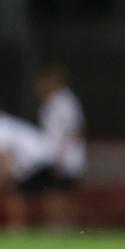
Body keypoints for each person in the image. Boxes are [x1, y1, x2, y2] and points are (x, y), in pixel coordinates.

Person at [0, 103, 58, 229]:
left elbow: (3, 160)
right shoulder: (5, 121)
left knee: (15, 193)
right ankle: (56, 227)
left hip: (31, 160)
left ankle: (17, 228)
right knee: (47, 193)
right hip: (47, 154)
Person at [35, 65, 86, 227]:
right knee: (53, 192)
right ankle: (58, 227)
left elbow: (75, 129)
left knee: (59, 194)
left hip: (65, 157)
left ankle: (63, 227)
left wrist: (61, 155)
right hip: (53, 155)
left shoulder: (65, 101)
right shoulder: (50, 103)